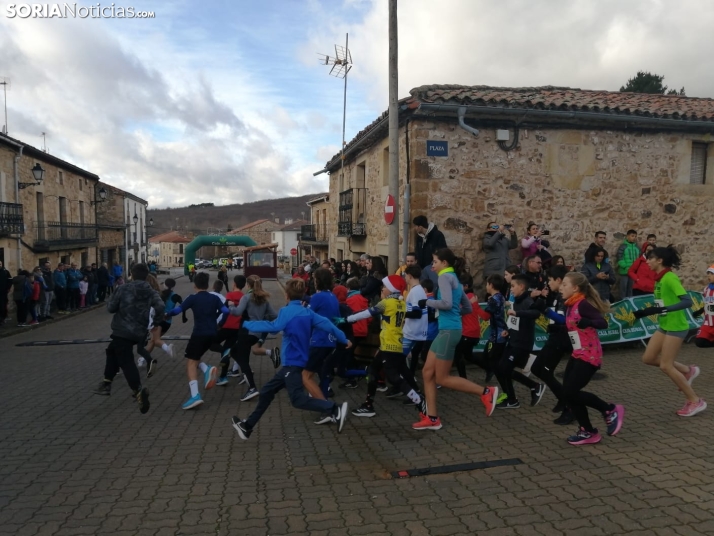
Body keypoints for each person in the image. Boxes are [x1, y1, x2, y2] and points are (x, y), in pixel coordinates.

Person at [231, 278, 351, 440]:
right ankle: (247, 426)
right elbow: (329, 326)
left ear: (286, 296)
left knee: (297, 400)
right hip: (295, 363)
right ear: (302, 295)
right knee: (266, 391)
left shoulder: (286, 312)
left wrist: (248, 325)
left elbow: (274, 328)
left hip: (293, 363)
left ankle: (333, 409)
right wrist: (344, 339)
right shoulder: (309, 313)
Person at [413, 248, 498, 430]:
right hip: (448, 330)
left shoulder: (445, 277)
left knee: (442, 378)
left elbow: (447, 304)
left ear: (444, 263)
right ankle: (432, 418)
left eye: (435, 261)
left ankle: (486, 391)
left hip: (448, 332)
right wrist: (452, 314)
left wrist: (426, 302)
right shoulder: (456, 281)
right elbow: (466, 308)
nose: (432, 265)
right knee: (427, 372)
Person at [634, 246, 706, 417]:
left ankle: (695, 401)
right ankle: (688, 371)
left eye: (650, 258)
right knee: (649, 358)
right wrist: (651, 311)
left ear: (660, 261)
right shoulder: (659, 279)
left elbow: (687, 302)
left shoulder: (669, 277)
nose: (648, 261)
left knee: (666, 365)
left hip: (676, 326)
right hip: (664, 325)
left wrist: (663, 309)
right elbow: (662, 304)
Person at [554, 272, 624, 445]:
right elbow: (573, 326)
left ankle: (609, 410)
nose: (561, 288)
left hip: (590, 356)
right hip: (577, 353)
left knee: (571, 392)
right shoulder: (571, 304)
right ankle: (588, 431)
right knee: (569, 394)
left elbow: (602, 323)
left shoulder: (583, 304)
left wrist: (589, 322)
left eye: (564, 284)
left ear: (575, 288)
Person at [346, 275, 428, 421]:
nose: (382, 289)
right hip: (393, 343)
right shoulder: (400, 303)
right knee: (374, 370)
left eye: (384, 287)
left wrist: (348, 319)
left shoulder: (386, 303)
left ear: (390, 290)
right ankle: (368, 405)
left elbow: (368, 313)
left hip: (389, 345)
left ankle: (420, 401)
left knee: (394, 377)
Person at [92, 263, 163, 414]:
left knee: (125, 360)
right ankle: (106, 382)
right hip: (139, 332)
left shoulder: (123, 288)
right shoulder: (151, 291)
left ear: (132, 274)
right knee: (112, 350)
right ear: (146, 275)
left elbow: (111, 307)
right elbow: (161, 307)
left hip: (122, 329)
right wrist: (156, 322)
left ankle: (138, 390)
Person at [165, 272, 225, 409]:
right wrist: (217, 318)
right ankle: (206, 369)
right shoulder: (214, 298)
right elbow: (226, 311)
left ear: (195, 285)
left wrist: (167, 314)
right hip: (213, 334)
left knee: (191, 363)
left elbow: (178, 310)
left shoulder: (193, 298)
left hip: (199, 334)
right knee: (195, 357)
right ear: (208, 284)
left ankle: (195, 396)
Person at [529, 265, 574, 424]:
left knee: (546, 372)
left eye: (550, 280)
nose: (548, 283)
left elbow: (564, 321)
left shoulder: (565, 298)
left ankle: (569, 405)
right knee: (536, 368)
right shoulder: (556, 295)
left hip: (561, 340)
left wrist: (547, 311)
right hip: (554, 337)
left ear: (559, 280)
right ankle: (563, 399)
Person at [496, 274, 547, 409]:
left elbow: (536, 314)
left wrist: (517, 313)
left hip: (522, 343)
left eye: (513, 286)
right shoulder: (518, 300)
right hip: (513, 341)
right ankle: (512, 398)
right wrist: (508, 330)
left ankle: (534, 387)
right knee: (501, 368)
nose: (511, 289)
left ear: (522, 286)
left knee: (505, 368)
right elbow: (515, 321)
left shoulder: (527, 301)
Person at [225, 275, 279, 402]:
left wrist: (230, 306)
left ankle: (252, 388)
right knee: (234, 351)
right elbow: (274, 315)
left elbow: (237, 312)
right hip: (257, 334)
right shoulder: (264, 299)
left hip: (246, 332)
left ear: (248, 285)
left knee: (242, 360)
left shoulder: (246, 297)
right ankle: (246, 373)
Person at [303, 268, 341, 401]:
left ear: (318, 281)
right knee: (319, 371)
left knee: (306, 376)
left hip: (319, 340)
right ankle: (323, 393)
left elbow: (306, 317)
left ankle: (328, 409)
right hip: (330, 339)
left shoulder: (318, 297)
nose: (313, 282)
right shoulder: (332, 296)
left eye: (314, 279)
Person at [454, 273, 489, 379]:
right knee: (468, 356)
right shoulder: (470, 296)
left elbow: (457, 310)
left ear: (465, 286)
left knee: (458, 355)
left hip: (468, 332)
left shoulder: (467, 297)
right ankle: (489, 368)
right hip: (473, 331)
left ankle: (463, 379)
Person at [216, 274, 247, 385]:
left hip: (226, 327)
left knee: (212, 343)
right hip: (237, 329)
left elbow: (224, 310)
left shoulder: (230, 294)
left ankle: (225, 354)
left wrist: (219, 323)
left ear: (234, 284)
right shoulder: (244, 297)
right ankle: (223, 377)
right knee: (227, 348)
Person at [413, 215, 447, 285]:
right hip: (422, 269)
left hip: (433, 269)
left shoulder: (437, 235)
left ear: (420, 227)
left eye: (415, 226)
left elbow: (442, 252)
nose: (415, 228)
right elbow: (417, 251)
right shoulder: (419, 237)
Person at [692, 264, 714, 348]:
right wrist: (700, 311)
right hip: (708, 322)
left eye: (712, 274)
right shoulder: (706, 289)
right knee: (699, 342)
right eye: (708, 273)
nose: (709, 275)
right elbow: (707, 304)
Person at [616, 230, 640, 299]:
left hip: (633, 272)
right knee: (623, 288)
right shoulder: (623, 246)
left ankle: (630, 303)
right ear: (627, 236)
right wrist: (625, 266)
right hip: (625, 271)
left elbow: (639, 258)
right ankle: (622, 303)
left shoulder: (637, 247)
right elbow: (619, 257)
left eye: (635, 236)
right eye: (632, 236)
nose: (634, 238)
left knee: (631, 288)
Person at [0, 260, 11, 325]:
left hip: (3, 293)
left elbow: (10, 280)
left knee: (2, 306)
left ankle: (2, 318)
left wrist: (8, 288)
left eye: (0, 264)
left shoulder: (5, 272)